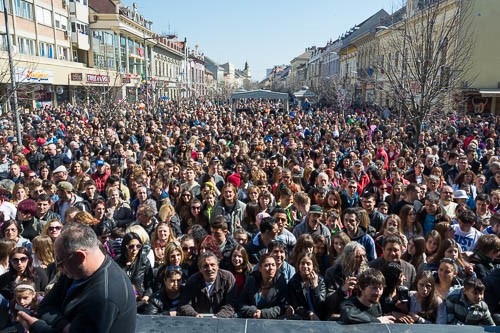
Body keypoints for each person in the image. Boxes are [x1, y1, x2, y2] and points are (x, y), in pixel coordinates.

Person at [17, 223, 137, 332]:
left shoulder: (104, 296)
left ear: (80, 256)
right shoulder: (75, 270)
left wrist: (37, 326)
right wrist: (65, 326)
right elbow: (46, 306)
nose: (59, 268)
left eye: (60, 262)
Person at [178, 251, 236, 318]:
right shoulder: (192, 281)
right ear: (200, 269)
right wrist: (194, 314)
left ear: (218, 266)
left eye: (212, 265)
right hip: (199, 321)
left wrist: (219, 316)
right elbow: (184, 304)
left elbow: (231, 304)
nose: (210, 269)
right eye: (206, 266)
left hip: (222, 320)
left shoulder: (228, 278)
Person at [238, 253, 287, 319]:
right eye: (267, 265)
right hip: (252, 319)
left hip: (273, 320)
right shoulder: (251, 281)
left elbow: (282, 307)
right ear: (260, 268)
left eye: (273, 265)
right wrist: (253, 311)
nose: (271, 268)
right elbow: (241, 303)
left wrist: (263, 313)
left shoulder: (281, 283)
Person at [114, 232, 154, 305]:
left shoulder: (144, 261)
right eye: (131, 246)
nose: (135, 249)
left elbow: (150, 284)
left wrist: (146, 296)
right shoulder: (117, 261)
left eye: (138, 246)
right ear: (125, 246)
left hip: (139, 301)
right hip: (121, 301)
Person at [287, 252, 326, 320]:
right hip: (303, 317)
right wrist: (309, 314)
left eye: (308, 264)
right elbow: (296, 306)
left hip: (321, 317)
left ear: (313, 266)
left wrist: (315, 286)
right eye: (302, 263)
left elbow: (321, 305)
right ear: (298, 265)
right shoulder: (293, 282)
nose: (305, 266)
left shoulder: (320, 281)